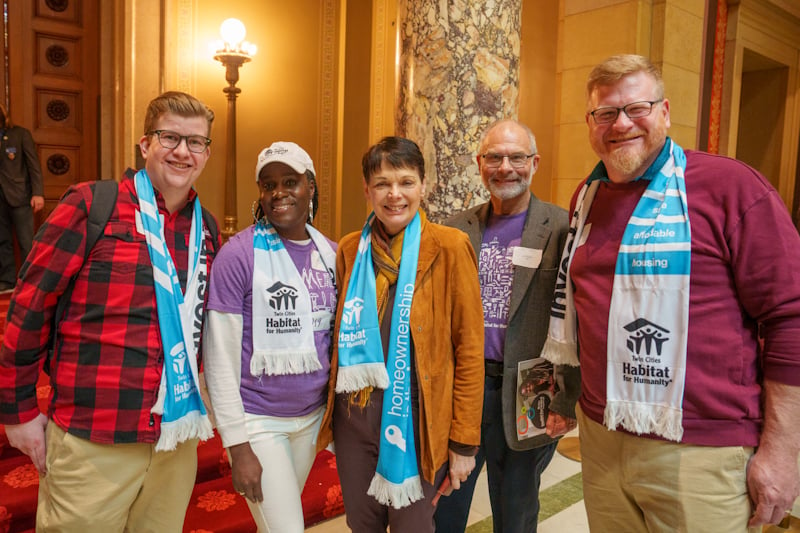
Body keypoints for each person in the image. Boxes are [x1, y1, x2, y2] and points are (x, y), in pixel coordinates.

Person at [541, 54, 800, 532]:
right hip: (604, 437)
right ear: (590, 124)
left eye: (636, 108)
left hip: (702, 447)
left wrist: (784, 451)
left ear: (664, 112)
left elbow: (790, 317)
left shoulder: (730, 187)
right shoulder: (587, 196)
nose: (620, 124)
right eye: (605, 113)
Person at [0, 91, 220, 531]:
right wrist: (18, 411)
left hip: (174, 440)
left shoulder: (207, 228)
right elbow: (29, 307)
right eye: (169, 137)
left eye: (195, 142)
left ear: (206, 153)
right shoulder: (90, 205)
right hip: (93, 437)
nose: (182, 151)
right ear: (145, 144)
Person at [316, 136, 484, 532]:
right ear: (367, 190)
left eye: (406, 182)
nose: (395, 194)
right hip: (355, 420)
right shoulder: (349, 250)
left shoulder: (449, 246)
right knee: (362, 525)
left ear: (424, 186)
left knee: (413, 527)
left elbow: (470, 350)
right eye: (382, 184)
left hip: (418, 421)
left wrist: (463, 444)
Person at [434, 119, 579, 533]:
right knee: (446, 505)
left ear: (535, 162)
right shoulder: (454, 229)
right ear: (480, 164)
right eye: (494, 157)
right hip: (464, 390)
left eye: (517, 157)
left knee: (516, 512)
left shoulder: (562, 227)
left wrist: (567, 401)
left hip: (532, 391)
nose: (505, 167)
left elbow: (576, 320)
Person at [203, 141, 337, 532]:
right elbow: (219, 358)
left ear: (310, 187)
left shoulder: (330, 253)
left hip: (311, 420)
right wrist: (237, 445)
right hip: (259, 421)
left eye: (290, 181)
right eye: (269, 184)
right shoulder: (238, 255)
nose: (279, 193)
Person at [0, 103, 44, 292]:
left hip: (20, 196)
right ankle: (7, 281)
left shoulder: (20, 134)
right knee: (2, 241)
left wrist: (38, 193)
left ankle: (31, 281)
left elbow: (33, 166)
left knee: (27, 241)